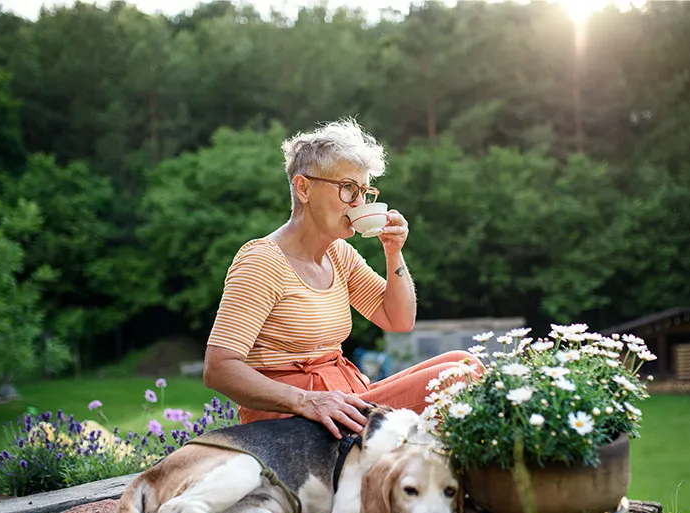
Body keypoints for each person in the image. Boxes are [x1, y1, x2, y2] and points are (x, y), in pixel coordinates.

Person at [204, 118, 483, 439]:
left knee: (463, 360)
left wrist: (394, 251)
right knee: (457, 376)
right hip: (296, 422)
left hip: (345, 403)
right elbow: (219, 368)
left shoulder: (338, 254)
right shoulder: (262, 262)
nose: (359, 204)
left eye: (364, 192)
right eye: (349, 188)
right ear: (303, 187)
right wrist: (306, 400)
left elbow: (399, 319)